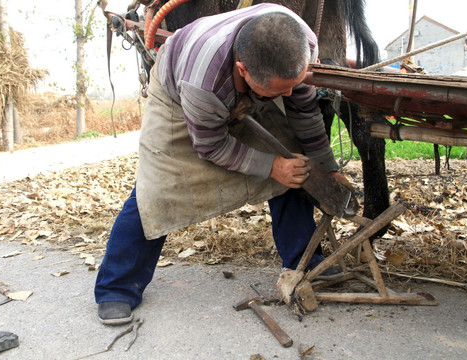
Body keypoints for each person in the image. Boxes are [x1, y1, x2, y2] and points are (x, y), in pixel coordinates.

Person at [95, 3, 353, 325]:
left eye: (292, 84)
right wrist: (271, 167)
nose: (289, 93)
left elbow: (305, 113)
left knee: (294, 162)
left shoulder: (300, 43)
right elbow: (211, 146)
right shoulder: (202, 85)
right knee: (157, 188)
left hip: (236, 83)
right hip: (179, 91)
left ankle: (306, 262)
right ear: (243, 70)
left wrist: (328, 168)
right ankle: (116, 288)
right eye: (280, 90)